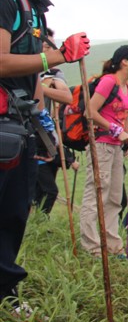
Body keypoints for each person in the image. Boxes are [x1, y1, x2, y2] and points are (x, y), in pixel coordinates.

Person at [1, 0, 90, 311]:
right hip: (2, 125)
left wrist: (44, 131)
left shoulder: (34, 6)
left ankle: (5, 296)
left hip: (20, 129)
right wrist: (53, 57)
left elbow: (31, 78)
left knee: (14, 214)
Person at [79, 45, 128, 258]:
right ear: (124, 61)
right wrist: (116, 131)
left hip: (117, 147)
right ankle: (92, 247)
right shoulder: (109, 81)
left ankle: (112, 245)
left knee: (115, 197)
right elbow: (90, 110)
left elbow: (124, 117)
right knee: (97, 193)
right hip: (101, 144)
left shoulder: (126, 87)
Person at [33, 28, 76, 214]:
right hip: (22, 131)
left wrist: (41, 87)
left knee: (45, 190)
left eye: (52, 47)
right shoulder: (22, 68)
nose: (50, 51)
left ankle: (38, 225)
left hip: (44, 136)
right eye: (45, 46)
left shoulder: (53, 73)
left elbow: (66, 96)